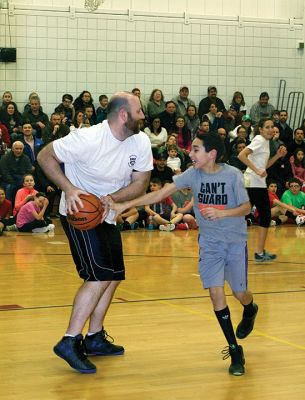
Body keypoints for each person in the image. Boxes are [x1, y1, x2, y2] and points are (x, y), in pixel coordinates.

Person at [109, 132, 257, 376]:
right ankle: (234, 349)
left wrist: (222, 213)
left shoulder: (232, 174)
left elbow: (246, 207)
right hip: (210, 244)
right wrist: (124, 205)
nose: (190, 153)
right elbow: (160, 193)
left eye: (196, 149)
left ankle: (250, 308)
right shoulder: (192, 174)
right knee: (216, 294)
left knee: (240, 293)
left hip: (234, 242)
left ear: (211, 154)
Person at [37, 92, 153, 374]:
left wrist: (111, 199)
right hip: (80, 214)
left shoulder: (141, 140)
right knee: (98, 275)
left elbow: (141, 182)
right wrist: (69, 188)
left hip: (108, 213)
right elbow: (45, 156)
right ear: (123, 115)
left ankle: (95, 337)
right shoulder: (87, 138)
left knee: (113, 277)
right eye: (139, 111)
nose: (143, 116)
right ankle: (69, 340)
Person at [238, 118, 287, 261]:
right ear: (260, 129)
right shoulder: (259, 139)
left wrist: (278, 155)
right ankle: (258, 252)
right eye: (267, 127)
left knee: (245, 215)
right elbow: (241, 155)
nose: (271, 129)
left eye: (272, 127)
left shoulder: (266, 142)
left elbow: (263, 167)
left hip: (255, 182)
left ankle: (258, 252)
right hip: (253, 183)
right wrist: (256, 171)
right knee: (263, 216)